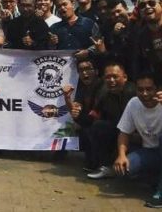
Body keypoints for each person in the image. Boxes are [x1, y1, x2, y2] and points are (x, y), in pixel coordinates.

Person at [114, 74, 162, 208]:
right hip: (150, 152)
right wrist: (121, 155)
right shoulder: (134, 103)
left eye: (149, 89)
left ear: (158, 89)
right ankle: (156, 180)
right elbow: (124, 132)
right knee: (124, 169)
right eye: (140, 89)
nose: (145, 93)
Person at [87, 61, 136, 179]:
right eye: (108, 77)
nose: (111, 80)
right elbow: (95, 114)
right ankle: (103, 165)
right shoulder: (104, 93)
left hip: (138, 134)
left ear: (125, 77)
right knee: (97, 127)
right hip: (118, 131)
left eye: (115, 76)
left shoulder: (134, 93)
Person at [63, 60, 105, 171]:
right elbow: (76, 110)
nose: (84, 73)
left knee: (92, 127)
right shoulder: (83, 88)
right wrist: (67, 98)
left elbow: (97, 113)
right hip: (90, 122)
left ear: (96, 71)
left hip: (105, 124)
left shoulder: (103, 87)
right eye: (81, 70)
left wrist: (80, 122)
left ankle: (101, 163)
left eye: (87, 69)